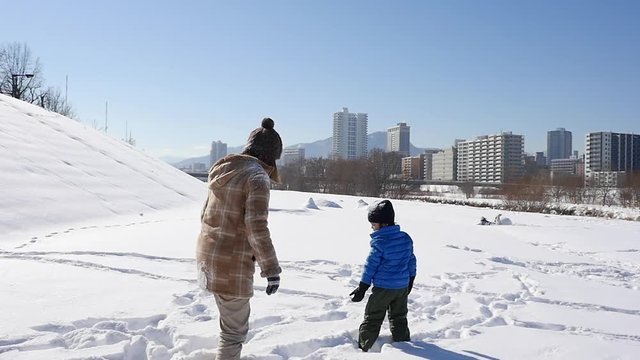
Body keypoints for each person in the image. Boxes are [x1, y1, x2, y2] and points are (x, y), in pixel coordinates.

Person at [196, 118, 283, 360]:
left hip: (207, 257)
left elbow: (204, 214)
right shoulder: (257, 178)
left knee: (228, 321)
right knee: (234, 333)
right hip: (231, 264)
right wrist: (271, 269)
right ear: (271, 157)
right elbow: (256, 227)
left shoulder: (224, 170)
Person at [349, 199, 417, 352]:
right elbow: (411, 260)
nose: (372, 228)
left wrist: (362, 287)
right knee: (399, 317)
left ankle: (363, 347)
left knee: (373, 317)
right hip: (401, 287)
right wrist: (411, 279)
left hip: (383, 288)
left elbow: (370, 266)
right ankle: (403, 342)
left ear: (384, 224)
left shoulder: (380, 242)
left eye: (374, 225)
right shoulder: (405, 238)